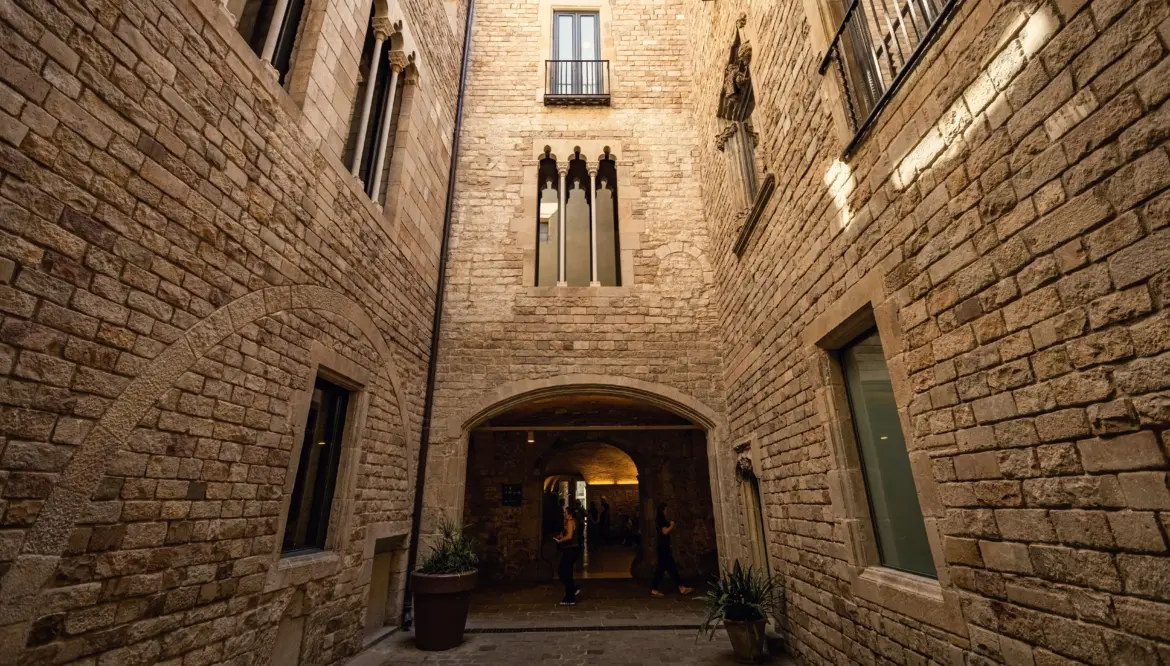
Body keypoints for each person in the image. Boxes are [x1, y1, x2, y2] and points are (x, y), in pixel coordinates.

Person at [651, 502, 693, 597]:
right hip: (663, 548)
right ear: (662, 510)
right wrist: (672, 525)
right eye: (665, 509)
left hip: (664, 547)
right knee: (665, 568)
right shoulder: (660, 519)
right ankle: (680, 588)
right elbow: (665, 532)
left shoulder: (660, 519)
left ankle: (681, 587)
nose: (667, 511)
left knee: (668, 568)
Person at [553, 502, 582, 605]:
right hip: (571, 549)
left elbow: (569, 536)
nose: (564, 513)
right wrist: (560, 536)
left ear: (569, 513)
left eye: (565, 512)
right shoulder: (570, 522)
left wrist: (561, 541)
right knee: (565, 571)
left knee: (564, 572)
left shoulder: (570, 522)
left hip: (571, 549)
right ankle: (572, 590)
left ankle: (570, 595)